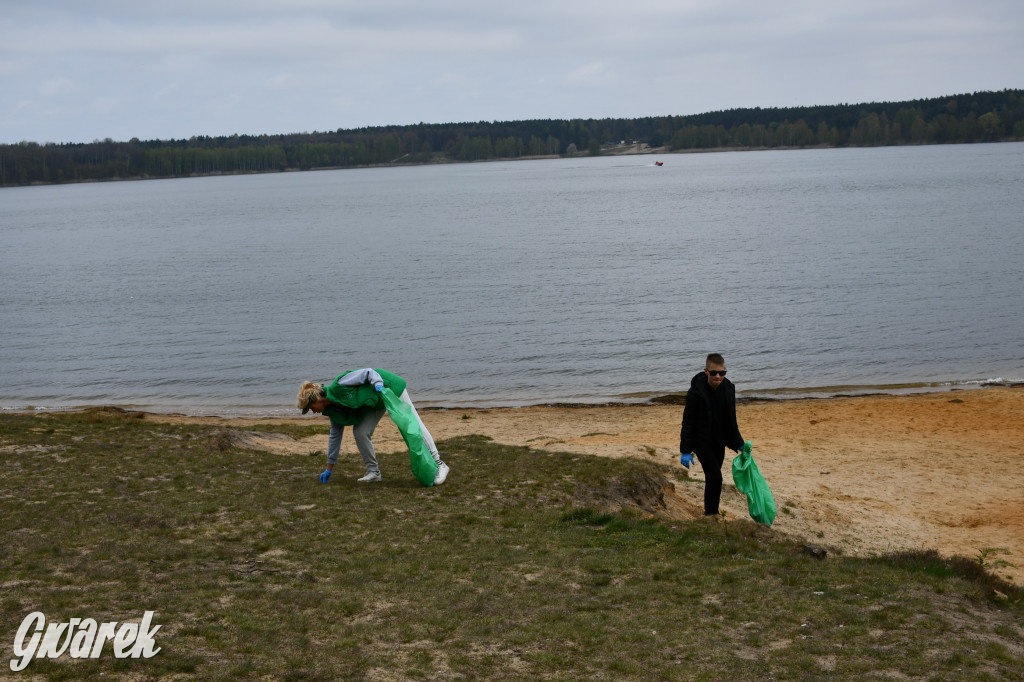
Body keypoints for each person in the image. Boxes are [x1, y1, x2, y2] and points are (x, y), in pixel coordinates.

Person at [296, 368, 449, 486]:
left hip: (387, 387)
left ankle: (440, 464)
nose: (312, 412)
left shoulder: (340, 384)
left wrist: (378, 384)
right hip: (374, 402)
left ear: (316, 399)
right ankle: (374, 472)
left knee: (414, 425)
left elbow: (369, 372)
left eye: (310, 408)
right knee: (360, 432)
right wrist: (329, 468)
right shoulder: (333, 412)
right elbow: (335, 437)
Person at [679, 353, 745, 517]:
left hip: (719, 441)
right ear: (706, 371)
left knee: (713, 477)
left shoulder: (728, 389)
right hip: (702, 442)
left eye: (722, 373)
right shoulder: (695, 393)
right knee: (716, 477)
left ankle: (710, 510)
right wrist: (686, 450)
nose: (718, 376)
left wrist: (739, 443)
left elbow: (731, 420)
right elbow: (688, 423)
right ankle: (711, 513)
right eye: (714, 372)